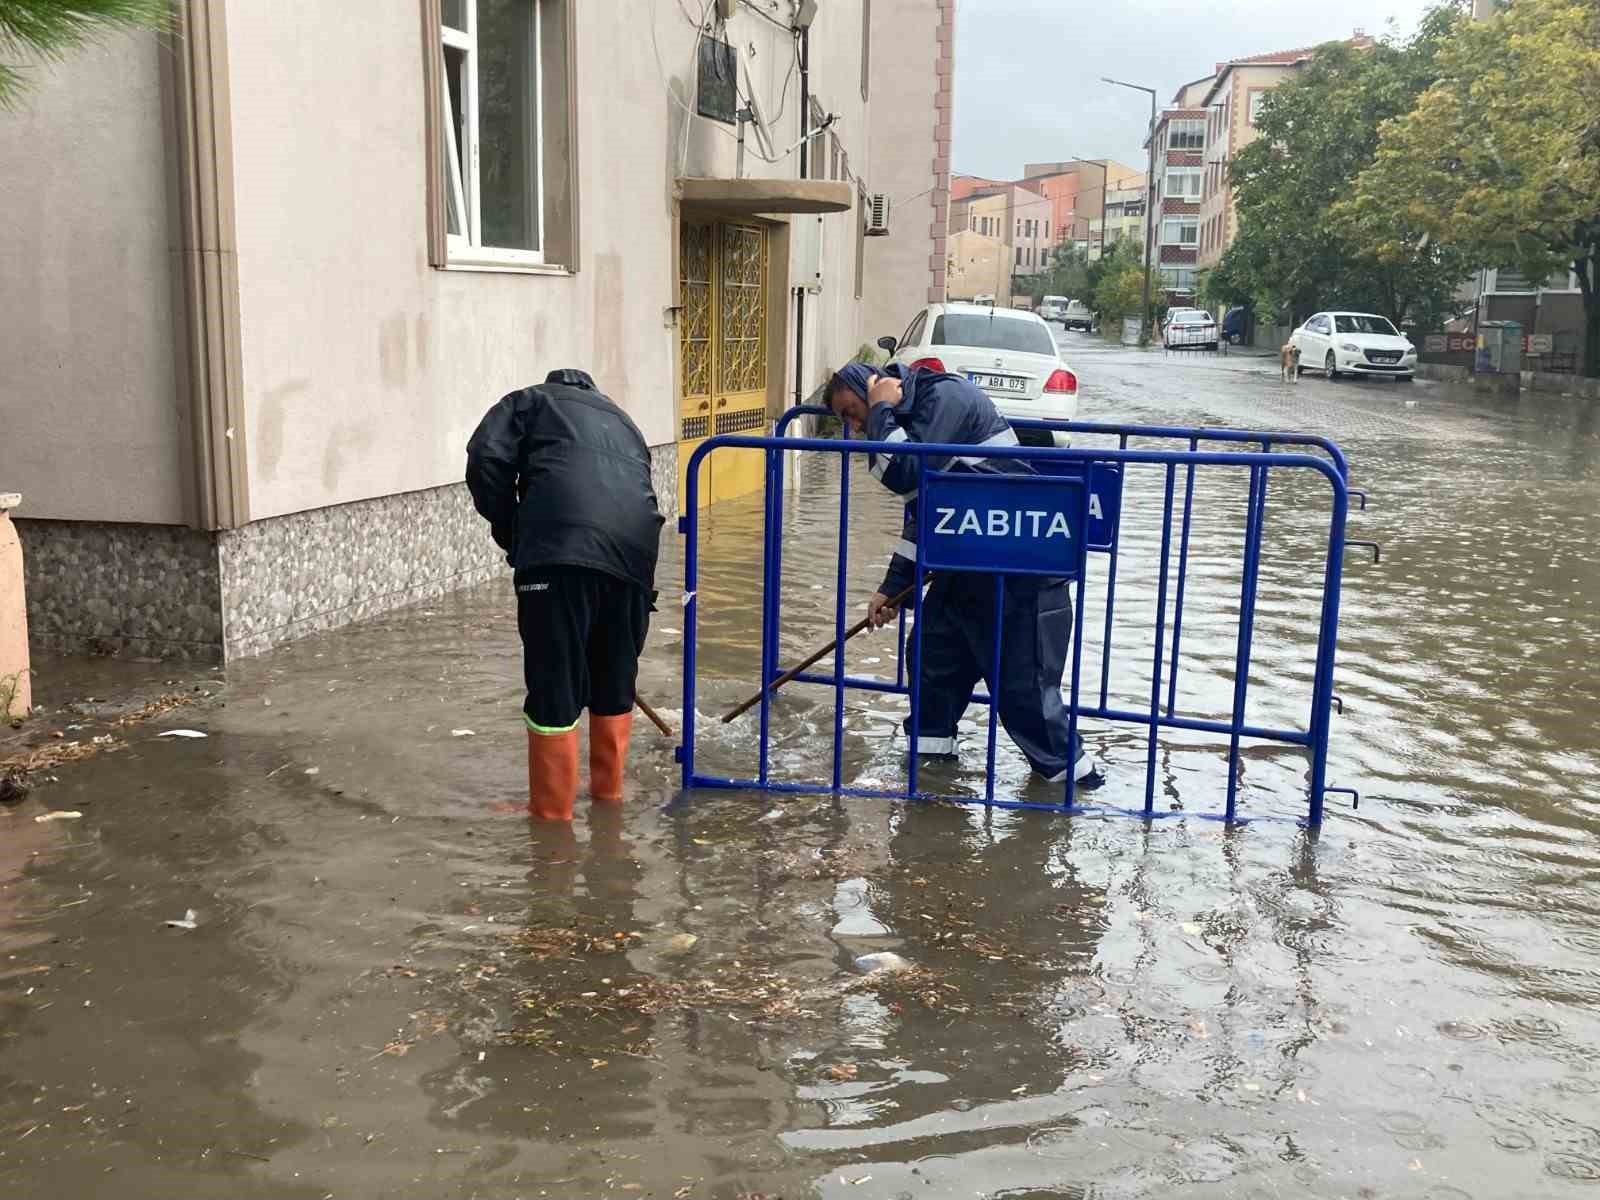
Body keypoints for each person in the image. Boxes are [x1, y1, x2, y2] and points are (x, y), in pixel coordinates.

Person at [823, 362, 1101, 787]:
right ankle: (931, 786)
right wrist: (893, 588)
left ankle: (1078, 794)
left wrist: (879, 409)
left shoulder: (944, 399)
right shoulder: (914, 417)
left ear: (872, 386)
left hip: (1016, 571)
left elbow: (904, 472)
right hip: (967, 570)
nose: (855, 426)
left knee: (1022, 695)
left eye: (852, 411)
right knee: (933, 661)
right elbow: (926, 513)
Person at [466, 369, 664, 821]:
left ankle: (552, 820)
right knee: (613, 677)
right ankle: (608, 801)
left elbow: (485, 458)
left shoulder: (530, 401)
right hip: (635, 559)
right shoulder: (624, 420)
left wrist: (512, 529)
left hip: (558, 557)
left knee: (555, 680)